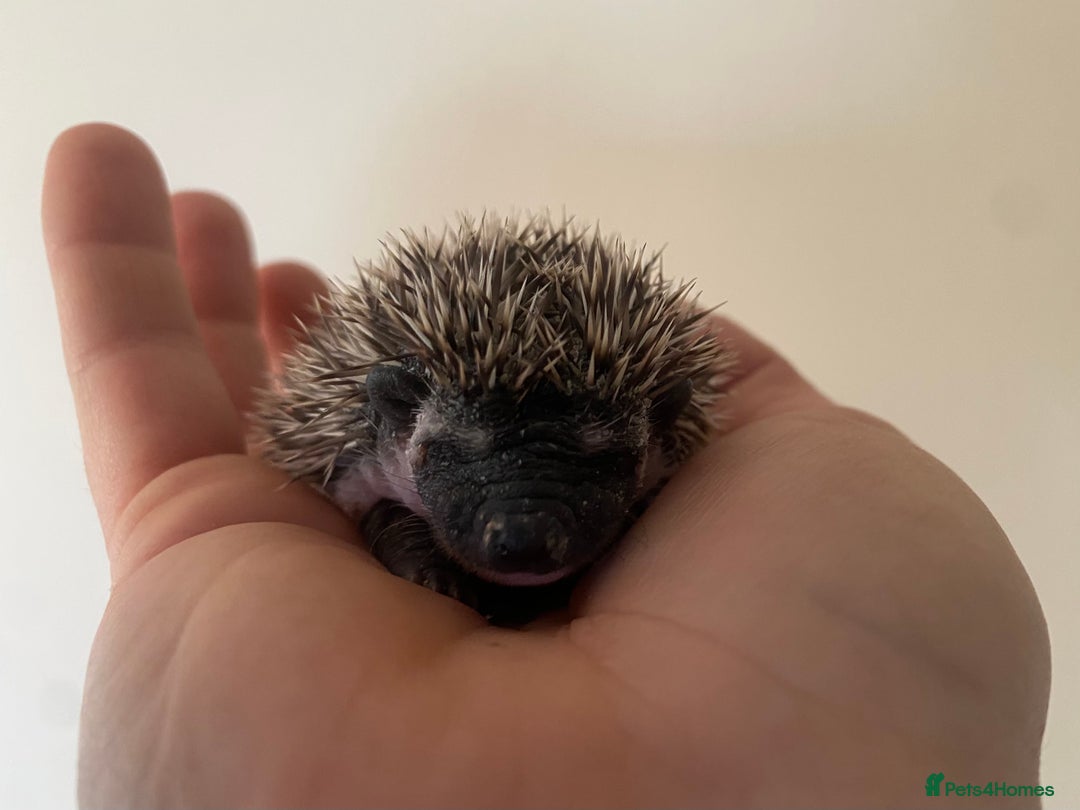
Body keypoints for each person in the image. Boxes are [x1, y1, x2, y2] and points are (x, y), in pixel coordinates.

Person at [44, 123, 1050, 808]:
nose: (522, 527)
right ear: (392, 422)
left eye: (594, 464)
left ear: (659, 430)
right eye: (457, 463)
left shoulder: (690, 445)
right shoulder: (351, 444)